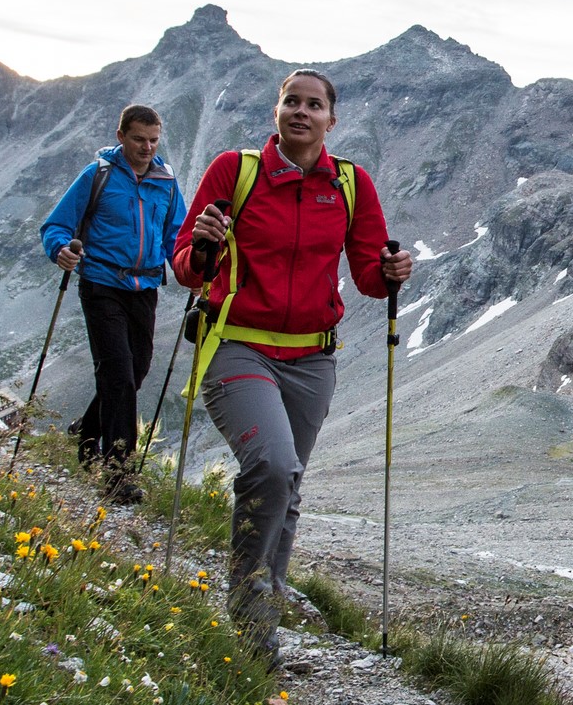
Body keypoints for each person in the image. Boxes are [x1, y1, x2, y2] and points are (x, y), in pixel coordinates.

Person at [171, 70, 413, 658]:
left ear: (332, 119)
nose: (300, 112)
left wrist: (390, 273)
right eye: (291, 102)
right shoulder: (235, 171)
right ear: (276, 112)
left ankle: (265, 607)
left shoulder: (351, 184)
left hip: (312, 356)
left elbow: (365, 277)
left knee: (290, 483)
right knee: (275, 467)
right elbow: (185, 267)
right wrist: (203, 242)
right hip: (237, 344)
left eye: (314, 105)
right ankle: (252, 623)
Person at [41, 104, 186, 501]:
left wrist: (191, 266)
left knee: (135, 370)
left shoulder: (166, 181)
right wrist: (60, 250)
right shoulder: (98, 176)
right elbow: (55, 225)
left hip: (145, 289)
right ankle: (117, 475)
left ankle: (86, 436)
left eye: (154, 140)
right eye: (139, 139)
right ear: (120, 136)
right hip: (101, 284)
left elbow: (178, 234)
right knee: (119, 373)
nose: (147, 147)